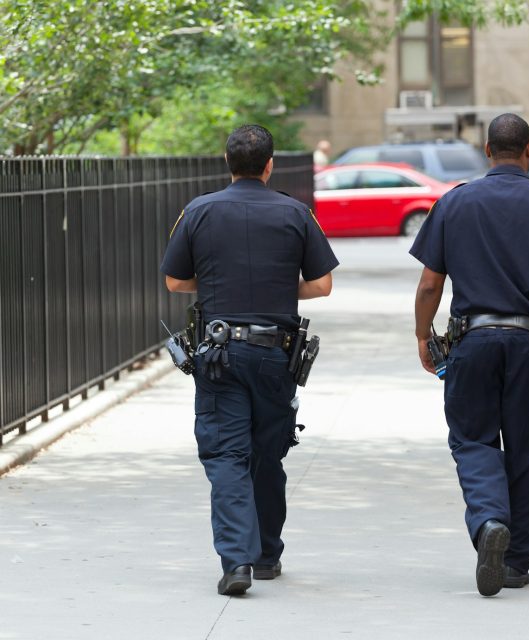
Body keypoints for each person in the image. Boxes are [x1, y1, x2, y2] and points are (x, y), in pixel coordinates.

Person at [409, 113, 529, 597]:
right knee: (524, 449)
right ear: (528, 151)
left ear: (487, 151)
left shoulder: (453, 203)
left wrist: (423, 336)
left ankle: (489, 519)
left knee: (473, 440)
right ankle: (514, 564)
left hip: (472, 342)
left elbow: (430, 283)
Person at [160, 124, 339, 596]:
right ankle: (265, 555)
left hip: (218, 352)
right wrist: (277, 288)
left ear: (227, 161)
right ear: (270, 165)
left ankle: (236, 560)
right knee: (268, 452)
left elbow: (176, 283)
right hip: (273, 353)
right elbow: (322, 285)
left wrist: (222, 286)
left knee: (226, 454)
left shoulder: (198, 211)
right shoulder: (295, 212)